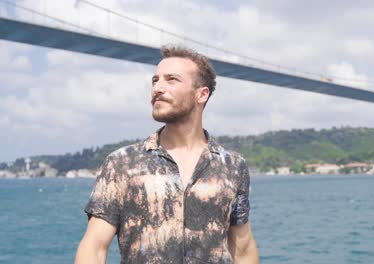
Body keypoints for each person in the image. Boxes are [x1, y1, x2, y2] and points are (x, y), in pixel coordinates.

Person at [75, 45, 259, 264]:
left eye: (171, 79)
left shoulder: (233, 166)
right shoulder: (122, 164)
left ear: (201, 94)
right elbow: (94, 247)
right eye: (155, 80)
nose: (158, 88)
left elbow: (243, 248)